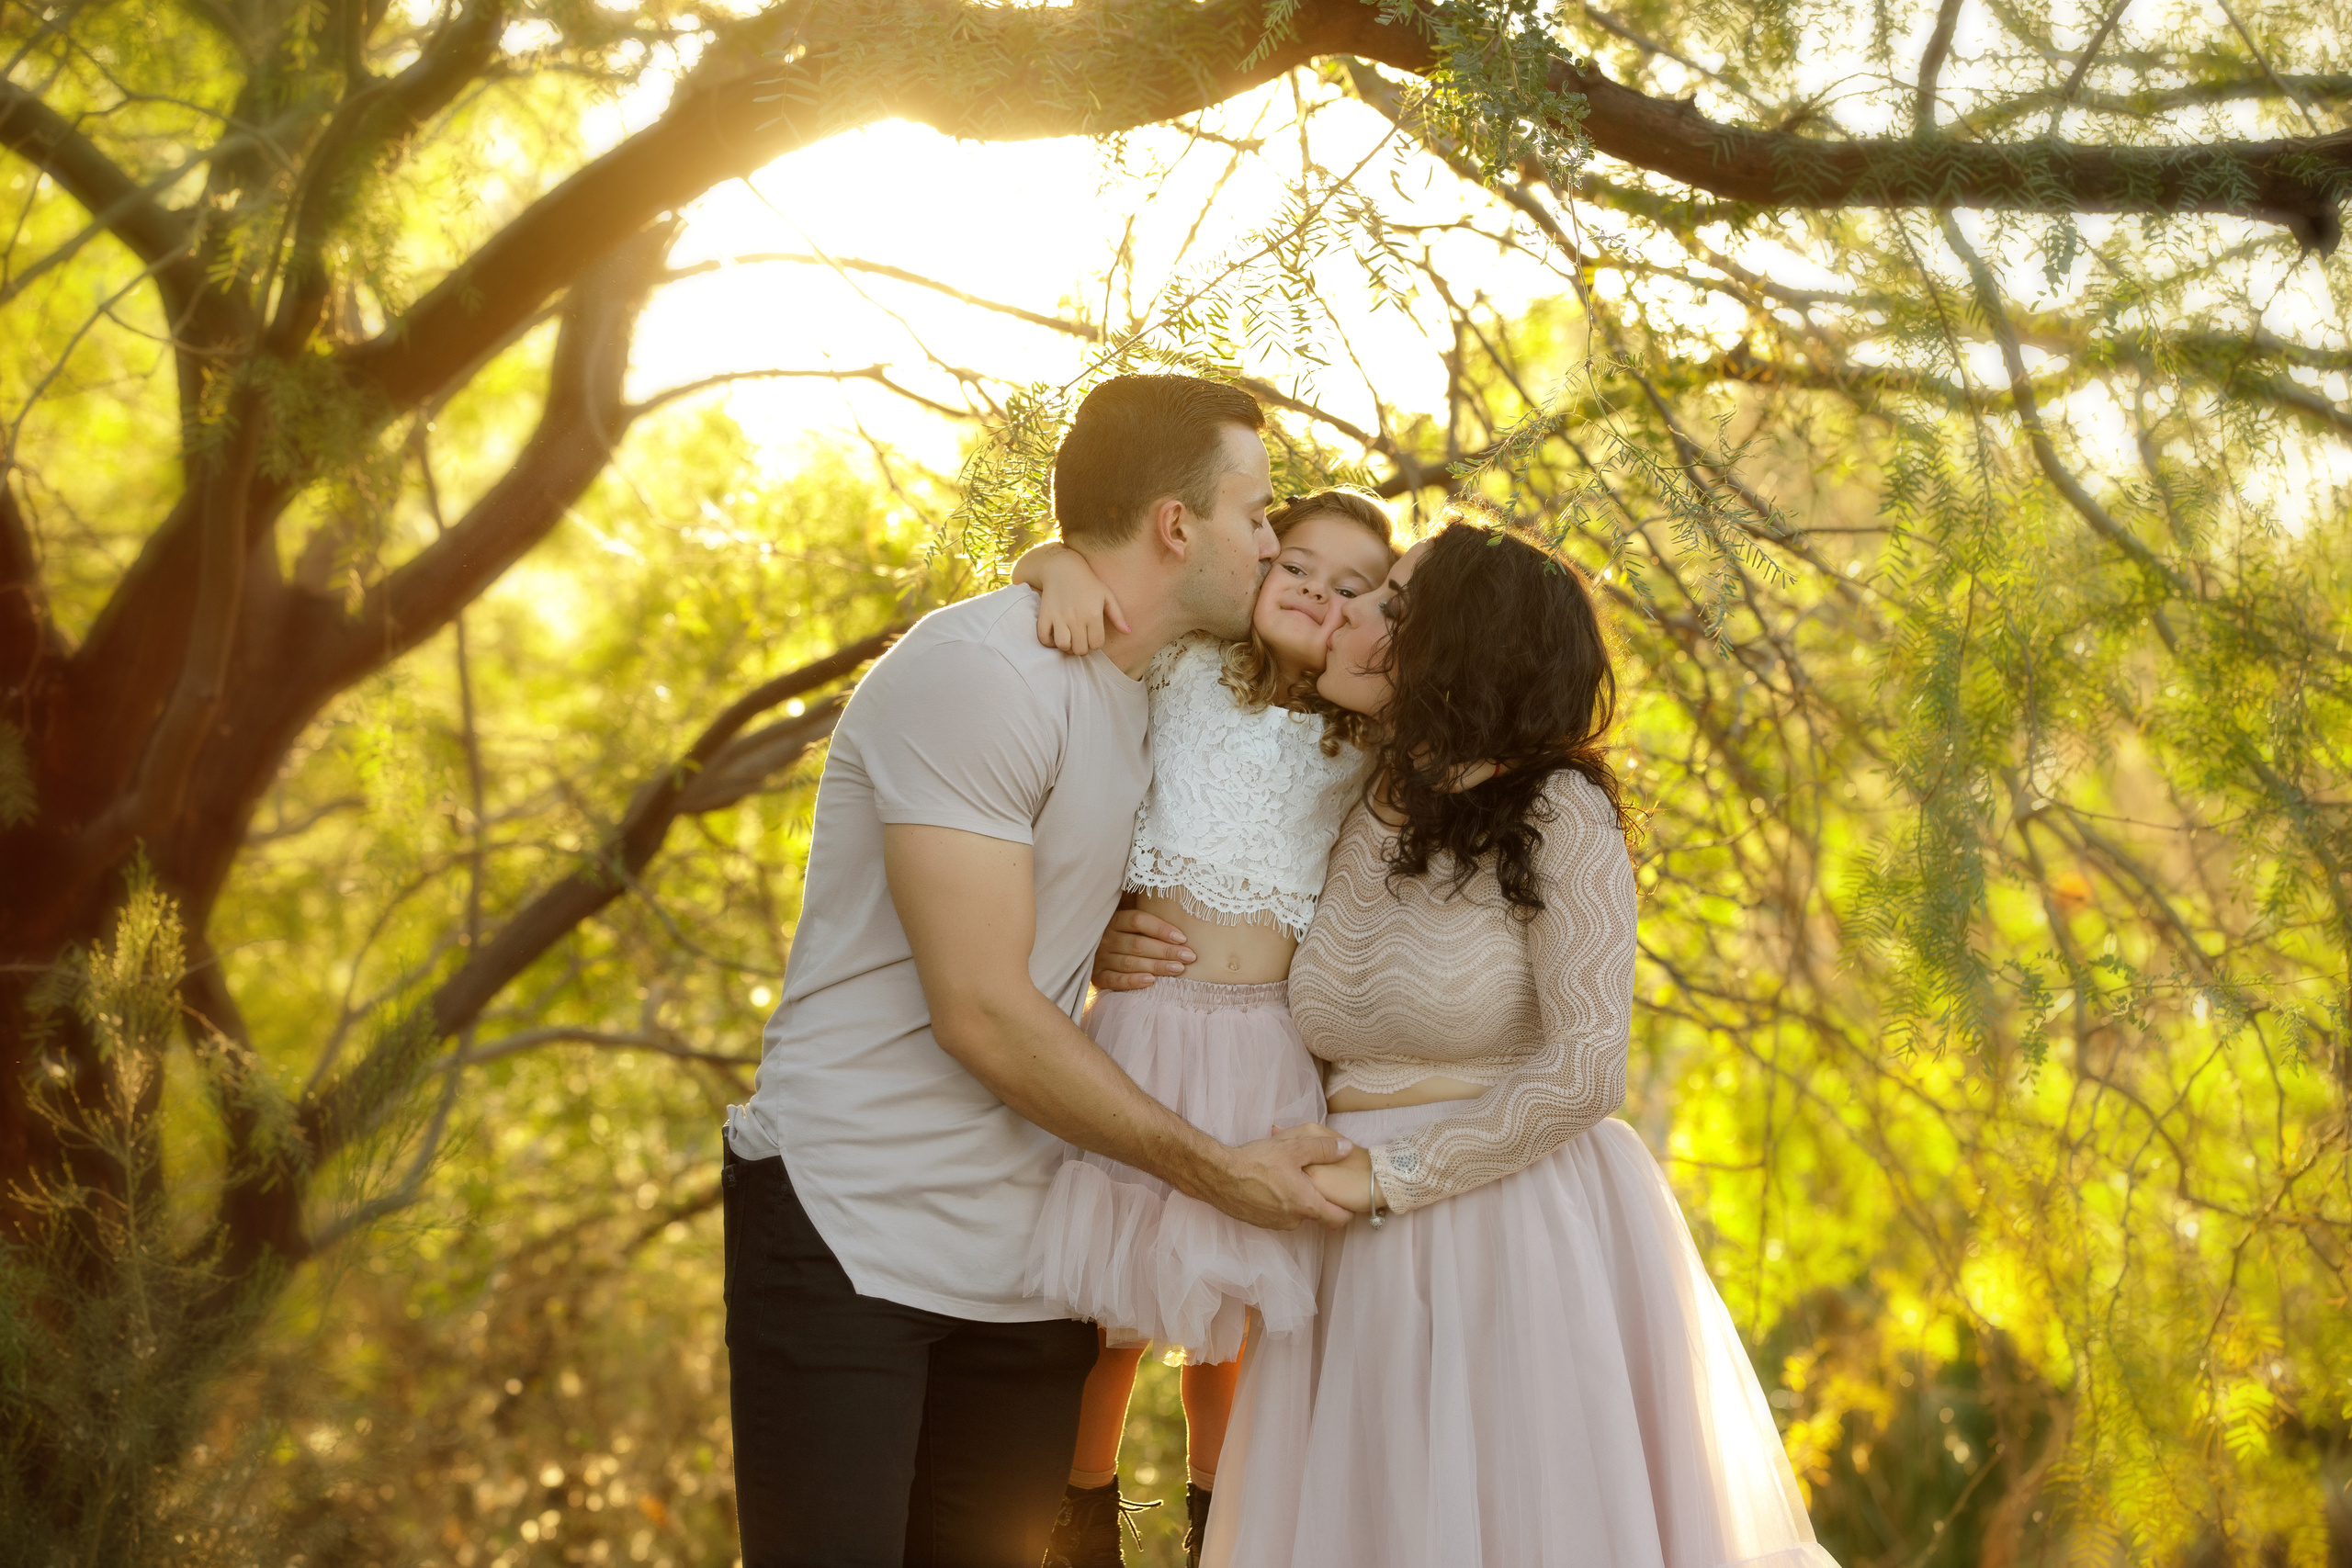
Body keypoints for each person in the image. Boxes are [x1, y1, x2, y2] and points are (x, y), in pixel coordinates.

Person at [1095, 517, 1840, 1568]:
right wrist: (1119, 933)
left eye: (1391, 607)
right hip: (1349, 1263)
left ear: (1461, 647)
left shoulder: (1559, 812)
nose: (1346, 614)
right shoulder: (1355, 796)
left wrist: (1388, 1178)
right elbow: (1224, 892)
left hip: (1512, 1236)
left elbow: (1587, 1070)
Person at [718, 375, 1353, 1568]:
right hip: (856, 1230)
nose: (1273, 541)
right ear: (1177, 523)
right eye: (1257, 512)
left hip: (1025, 1268)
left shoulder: (1145, 686)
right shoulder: (985, 672)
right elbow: (982, 1009)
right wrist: (1218, 1170)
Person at [1010, 491, 1399, 1566]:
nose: (1320, 593)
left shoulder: (1363, 734)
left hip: (1264, 1045)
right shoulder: (1181, 672)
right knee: (1110, 1315)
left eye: (1354, 587)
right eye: (1301, 565)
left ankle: (1213, 1523)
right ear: (1259, 564)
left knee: (1230, 1316)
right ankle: (1079, 1514)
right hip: (1147, 1028)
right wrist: (1056, 559)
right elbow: (1070, 580)